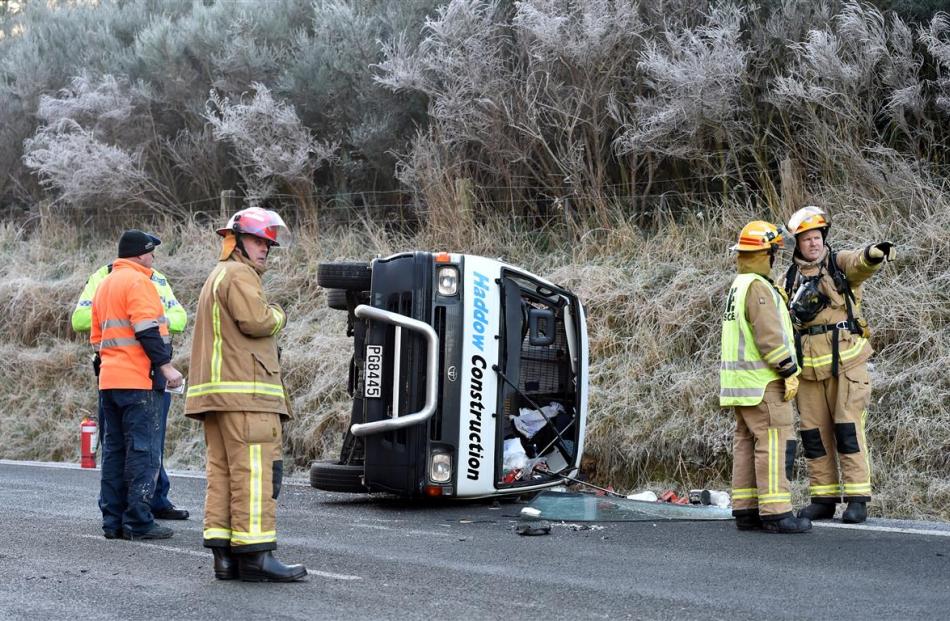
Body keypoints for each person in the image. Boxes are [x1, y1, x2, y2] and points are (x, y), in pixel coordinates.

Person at [185, 207, 306, 582]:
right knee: (255, 474)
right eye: (257, 241)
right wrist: (280, 314)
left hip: (219, 398)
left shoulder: (217, 276)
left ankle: (226, 558)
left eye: (268, 243)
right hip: (247, 396)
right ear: (236, 241)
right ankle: (256, 558)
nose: (265, 249)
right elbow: (257, 321)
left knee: (223, 475)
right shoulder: (239, 275)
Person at [782, 206, 895, 524]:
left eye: (817, 237)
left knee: (847, 429)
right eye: (807, 239)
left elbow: (859, 264)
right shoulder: (788, 278)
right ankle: (824, 498)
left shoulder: (838, 263)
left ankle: (858, 499)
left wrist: (874, 254)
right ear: (798, 243)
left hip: (846, 365)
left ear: (823, 239)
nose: (813, 244)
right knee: (814, 436)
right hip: (808, 372)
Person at [72, 246, 190, 521]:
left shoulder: (135, 280)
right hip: (140, 376)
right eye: (150, 253)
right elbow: (147, 328)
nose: (154, 259)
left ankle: (115, 518)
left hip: (111, 376)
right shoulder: (135, 280)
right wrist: (166, 366)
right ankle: (138, 518)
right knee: (142, 446)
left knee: (118, 448)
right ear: (138, 255)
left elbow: (180, 318)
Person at [720, 221, 811, 534]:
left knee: (746, 443)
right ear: (767, 253)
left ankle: (746, 510)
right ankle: (776, 512)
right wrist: (788, 370)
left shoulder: (739, 284)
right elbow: (769, 336)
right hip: (763, 383)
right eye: (774, 251)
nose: (776, 257)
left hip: (742, 385)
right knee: (775, 441)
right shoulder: (758, 287)